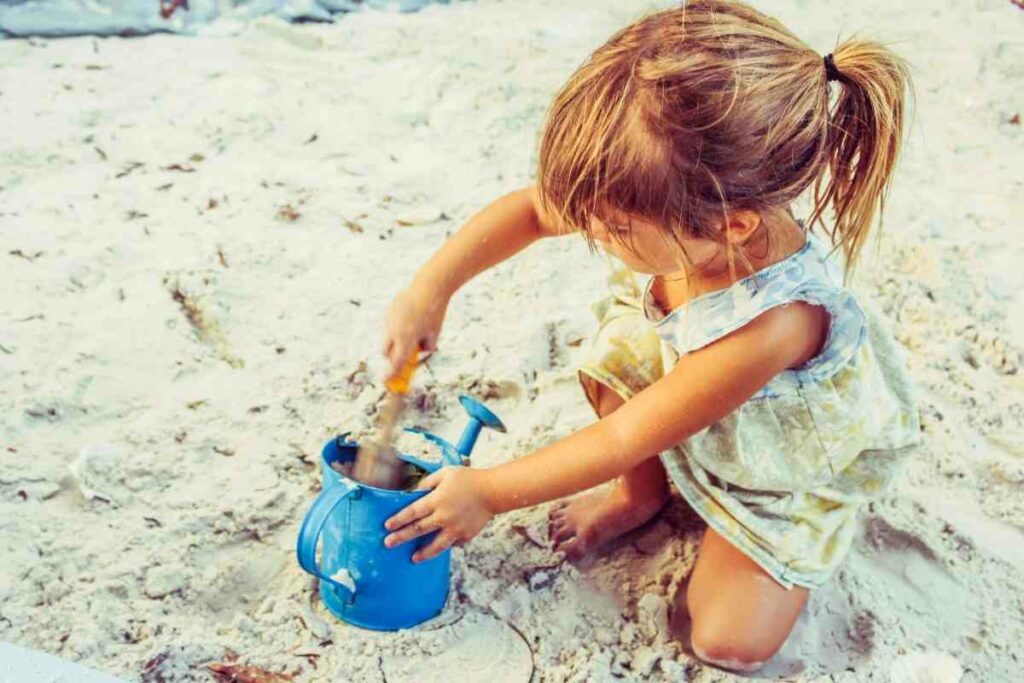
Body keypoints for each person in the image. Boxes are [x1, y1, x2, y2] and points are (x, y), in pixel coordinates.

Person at [379, 0, 919, 671]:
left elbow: (622, 437)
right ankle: (644, 495)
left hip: (775, 464)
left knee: (726, 639)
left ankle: (776, 523)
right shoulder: (676, 201)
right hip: (688, 389)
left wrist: (488, 491)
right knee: (621, 347)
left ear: (733, 226)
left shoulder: (776, 322)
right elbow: (532, 209)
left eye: (610, 227)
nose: (590, 232)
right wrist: (431, 288)